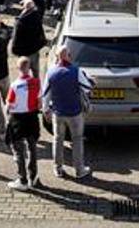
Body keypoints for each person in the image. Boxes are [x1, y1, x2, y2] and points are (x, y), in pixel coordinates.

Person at [42, 45, 92, 179]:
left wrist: (45, 109)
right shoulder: (76, 71)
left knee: (58, 140)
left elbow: (45, 94)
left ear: (57, 57)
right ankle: (79, 170)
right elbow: (87, 88)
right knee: (77, 140)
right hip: (75, 113)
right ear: (69, 56)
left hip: (58, 113)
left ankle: (58, 169)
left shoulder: (51, 72)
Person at [5, 56, 42, 190]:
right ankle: (33, 177)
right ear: (29, 67)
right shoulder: (37, 82)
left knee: (18, 150)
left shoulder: (14, 85)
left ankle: (23, 179)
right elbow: (39, 102)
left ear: (18, 68)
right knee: (32, 148)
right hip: (32, 118)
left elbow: (8, 105)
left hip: (18, 119)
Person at [10, 0, 47, 77]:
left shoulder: (20, 22)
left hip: (24, 52)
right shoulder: (37, 17)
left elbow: (15, 38)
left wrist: (14, 50)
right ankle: (36, 85)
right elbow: (42, 3)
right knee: (35, 71)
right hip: (34, 50)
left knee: (23, 73)